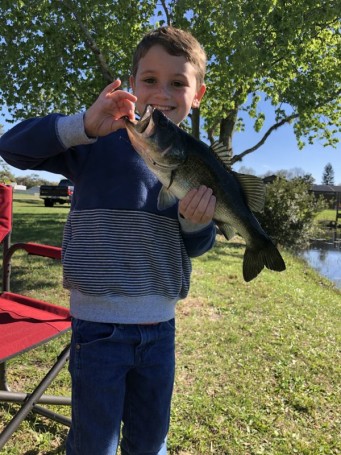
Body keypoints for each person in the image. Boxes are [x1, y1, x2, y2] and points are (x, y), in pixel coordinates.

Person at [0, 26, 216, 455]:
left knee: (150, 441)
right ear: (132, 84)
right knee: (93, 444)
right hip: (97, 330)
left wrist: (196, 223)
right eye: (149, 80)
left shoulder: (196, 161)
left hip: (161, 330)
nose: (161, 92)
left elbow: (195, 246)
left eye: (178, 83)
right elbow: (12, 148)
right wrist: (83, 124)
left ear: (197, 96)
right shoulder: (96, 141)